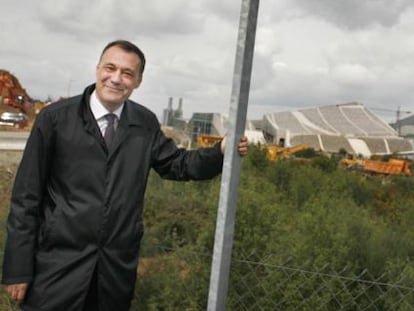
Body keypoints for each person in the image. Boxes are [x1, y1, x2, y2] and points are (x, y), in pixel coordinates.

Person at [1, 40, 248, 311]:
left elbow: (177, 164)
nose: (116, 78)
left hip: (113, 273)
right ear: (97, 69)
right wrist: (18, 270)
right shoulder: (55, 119)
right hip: (56, 267)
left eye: (127, 73)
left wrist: (220, 151)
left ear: (138, 81)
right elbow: (27, 196)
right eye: (110, 68)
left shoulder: (144, 123)